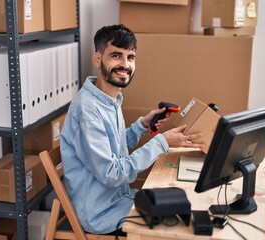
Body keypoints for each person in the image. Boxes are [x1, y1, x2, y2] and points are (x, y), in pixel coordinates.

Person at [60, 24, 204, 235]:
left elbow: (113, 150)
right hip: (103, 215)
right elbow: (112, 173)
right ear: (98, 59)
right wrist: (162, 143)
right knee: (180, 229)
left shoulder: (109, 99)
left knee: (185, 203)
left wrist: (141, 126)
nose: (125, 65)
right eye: (116, 56)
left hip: (119, 200)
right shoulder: (87, 111)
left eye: (130, 57)